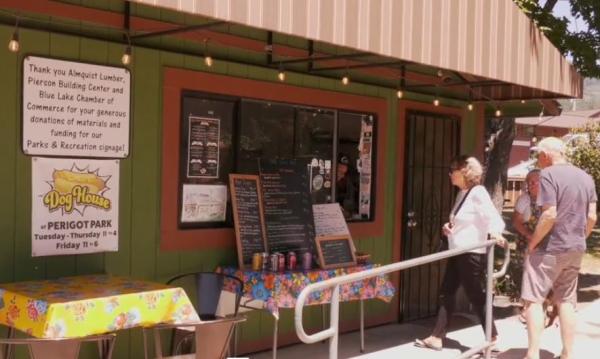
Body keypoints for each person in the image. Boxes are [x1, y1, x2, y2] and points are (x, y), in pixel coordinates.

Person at [415, 155, 505, 352]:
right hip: (458, 251)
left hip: (471, 253)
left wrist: (495, 233)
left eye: (452, 170)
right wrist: (449, 227)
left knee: (476, 295)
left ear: (465, 172)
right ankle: (437, 336)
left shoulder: (478, 192)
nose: (449, 174)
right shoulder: (462, 193)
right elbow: (463, 221)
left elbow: (492, 218)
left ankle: (493, 336)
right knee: (447, 292)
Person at [522, 137, 597, 359]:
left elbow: (549, 214)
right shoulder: (585, 177)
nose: (538, 159)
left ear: (546, 155)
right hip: (575, 247)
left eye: (538, 154)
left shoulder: (548, 175)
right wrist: (580, 236)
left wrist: (533, 243)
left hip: (549, 247)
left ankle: (533, 354)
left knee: (533, 300)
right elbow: (592, 216)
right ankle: (567, 353)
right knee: (566, 300)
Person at [336, 153, 357, 218]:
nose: (342, 175)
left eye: (344, 173)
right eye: (339, 171)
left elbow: (350, 207)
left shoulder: (348, 184)